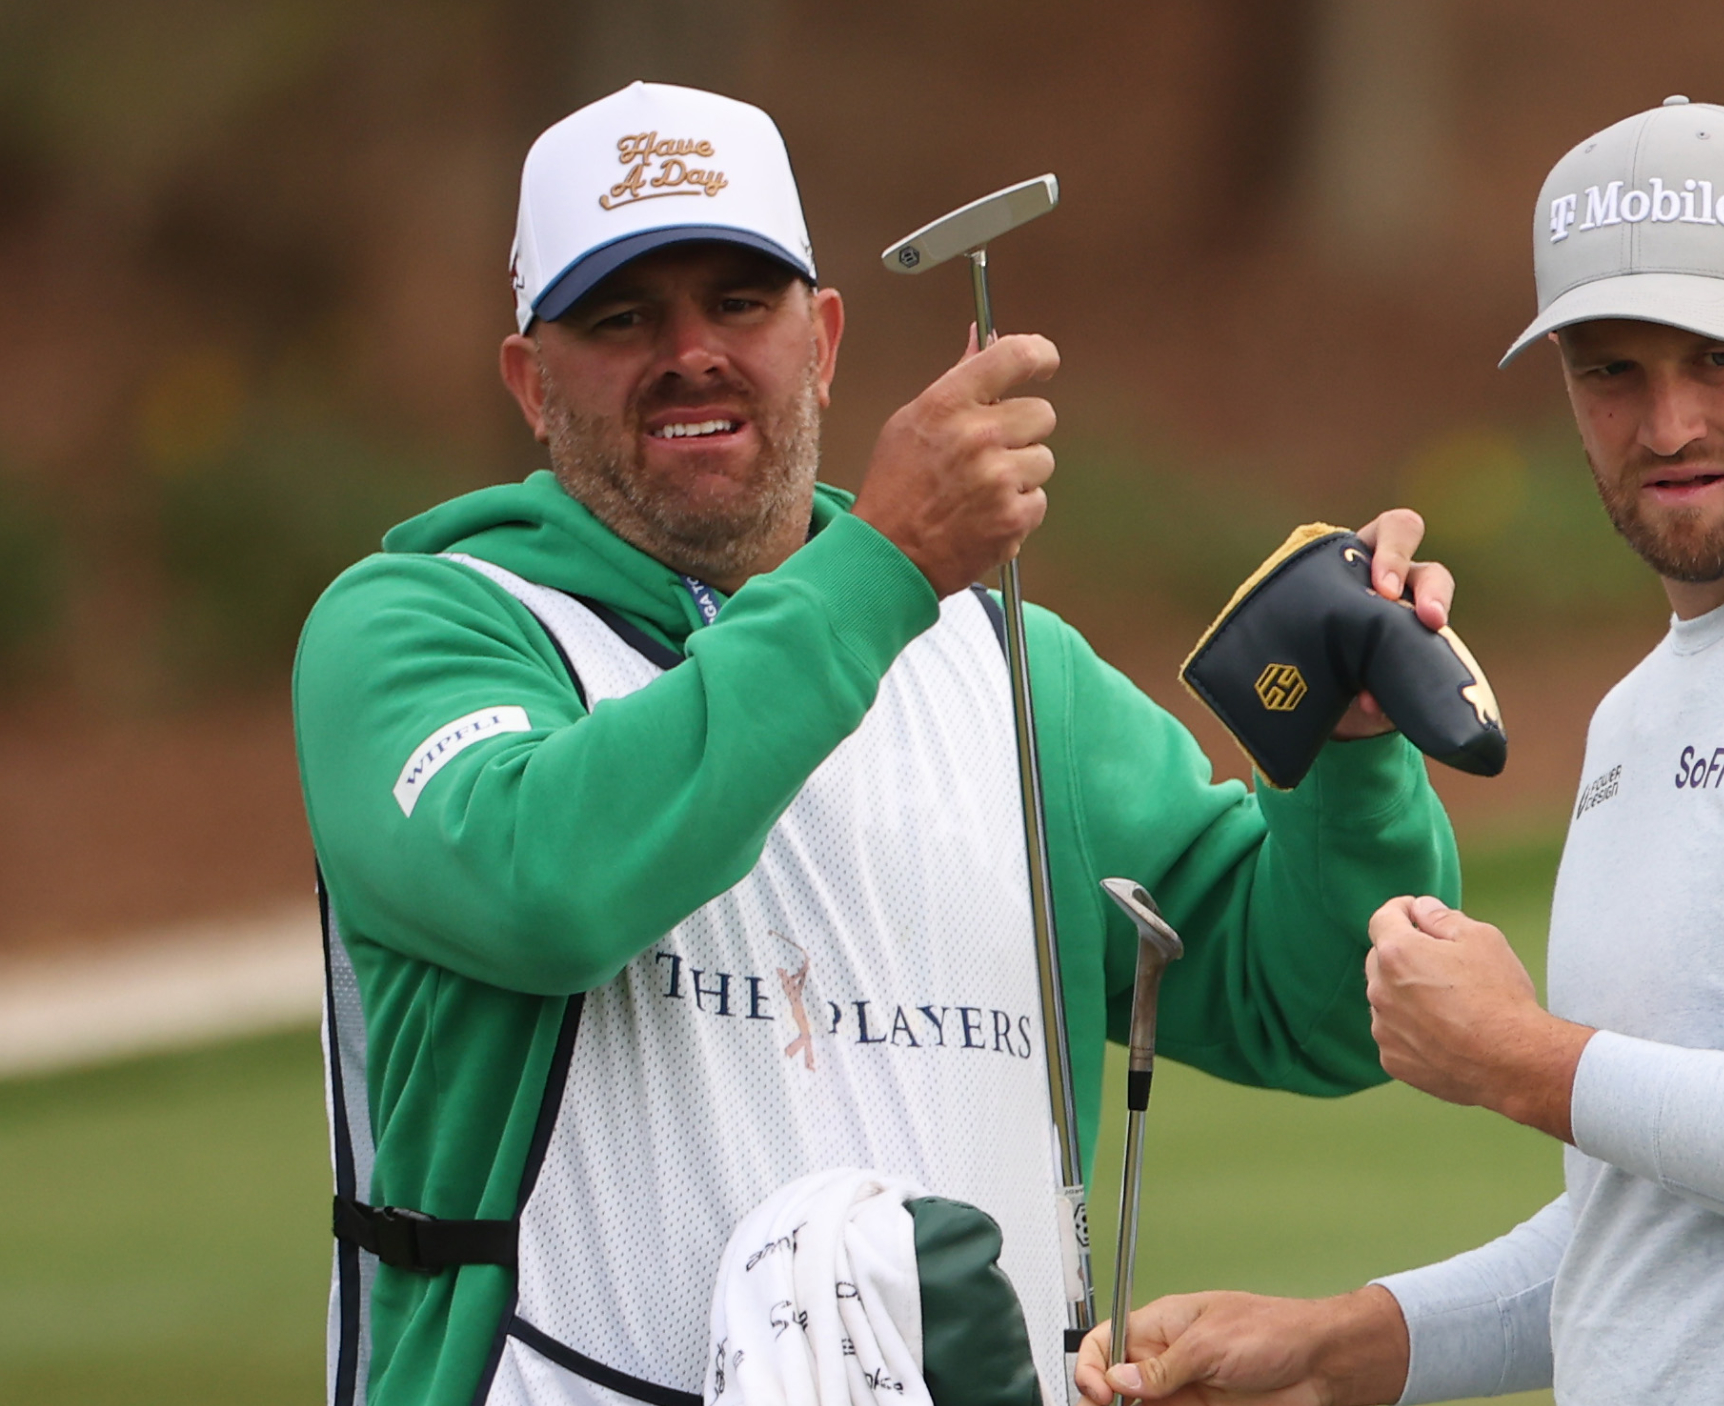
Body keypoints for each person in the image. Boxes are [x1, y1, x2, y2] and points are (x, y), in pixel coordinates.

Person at [296, 82, 1465, 1406]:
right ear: (529, 379)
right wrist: (886, 564)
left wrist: (1351, 754)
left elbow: (1311, 1005)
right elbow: (544, 879)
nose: (690, 351)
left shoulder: (1007, 668)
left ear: (825, 338)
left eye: (739, 301)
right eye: (622, 316)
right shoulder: (419, 625)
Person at [1079, 96, 1724, 1406]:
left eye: (1719, 356)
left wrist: (1523, 1057)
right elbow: (1662, 1225)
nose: (1667, 423)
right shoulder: (1645, 710)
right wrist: (1335, 1345)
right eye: (1612, 368)